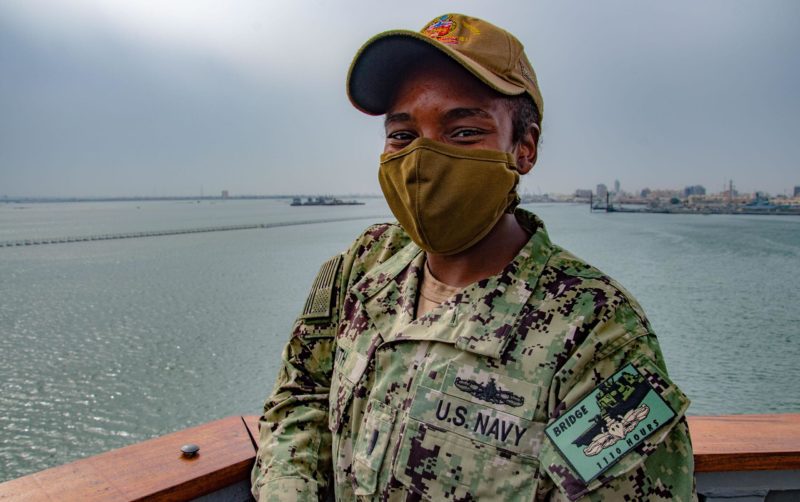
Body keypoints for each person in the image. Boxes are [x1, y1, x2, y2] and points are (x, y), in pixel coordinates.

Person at [252, 13, 695, 501]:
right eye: (402, 136)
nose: (421, 160)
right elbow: (302, 397)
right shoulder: (364, 265)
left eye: (463, 132)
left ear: (524, 148)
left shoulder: (597, 332)